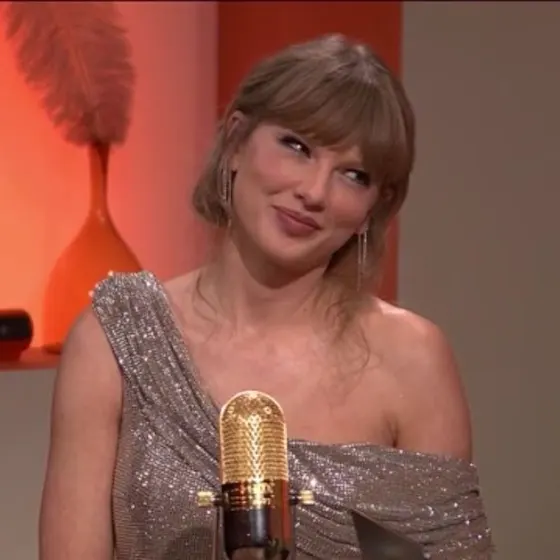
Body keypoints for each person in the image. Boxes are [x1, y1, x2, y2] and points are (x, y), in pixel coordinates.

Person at [39, 34, 493, 559]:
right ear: (236, 140)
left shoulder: (413, 359)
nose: (314, 192)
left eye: (353, 175)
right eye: (297, 147)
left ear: (373, 207)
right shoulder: (116, 340)